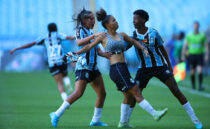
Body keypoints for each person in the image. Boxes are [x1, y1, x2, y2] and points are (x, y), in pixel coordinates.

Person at [66, 8, 168, 128]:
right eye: (113, 20)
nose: (116, 22)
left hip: (123, 68)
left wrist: (143, 48)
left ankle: (123, 123)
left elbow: (134, 41)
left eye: (116, 20)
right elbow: (88, 46)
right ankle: (155, 113)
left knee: (128, 95)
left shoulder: (122, 35)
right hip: (116, 68)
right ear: (107, 25)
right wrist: (76, 54)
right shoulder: (103, 37)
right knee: (136, 90)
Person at [120, 10, 203, 129]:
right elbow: (124, 47)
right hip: (143, 69)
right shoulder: (133, 36)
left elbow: (162, 49)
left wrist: (169, 65)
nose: (134, 21)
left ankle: (195, 120)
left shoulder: (153, 33)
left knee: (175, 90)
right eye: (133, 19)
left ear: (144, 20)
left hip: (160, 67)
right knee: (135, 95)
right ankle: (125, 122)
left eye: (136, 19)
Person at [49, 8, 112, 127]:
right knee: (78, 93)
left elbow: (96, 49)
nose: (94, 21)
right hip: (83, 66)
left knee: (102, 93)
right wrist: (95, 36)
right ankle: (56, 114)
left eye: (94, 18)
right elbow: (79, 43)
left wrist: (106, 55)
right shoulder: (80, 30)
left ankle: (95, 120)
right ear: (84, 21)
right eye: (91, 19)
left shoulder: (90, 32)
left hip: (93, 67)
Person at [9, 23, 75, 101]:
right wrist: (79, 37)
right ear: (56, 29)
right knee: (65, 75)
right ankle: (68, 85)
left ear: (48, 29)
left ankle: (65, 101)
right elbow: (70, 37)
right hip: (61, 59)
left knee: (59, 83)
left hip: (52, 62)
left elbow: (30, 44)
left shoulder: (44, 37)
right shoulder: (58, 35)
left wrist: (16, 49)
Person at [182, 21, 209, 91]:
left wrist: (206, 54)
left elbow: (206, 45)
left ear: (198, 26)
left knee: (200, 70)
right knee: (192, 72)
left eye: (197, 25)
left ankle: (200, 86)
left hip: (199, 55)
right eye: (195, 25)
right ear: (193, 26)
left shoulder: (202, 35)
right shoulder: (189, 35)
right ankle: (193, 86)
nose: (196, 27)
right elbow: (185, 46)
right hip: (192, 55)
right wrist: (183, 55)